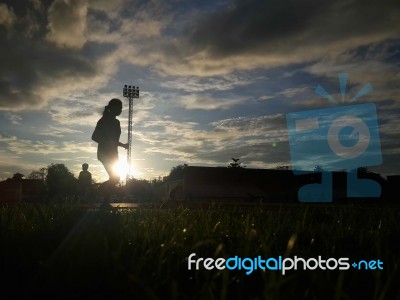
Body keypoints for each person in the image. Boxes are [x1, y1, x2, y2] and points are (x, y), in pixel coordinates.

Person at [92, 98, 128, 202]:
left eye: (121, 108)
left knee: (114, 178)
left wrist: (122, 145)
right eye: (119, 108)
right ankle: (97, 193)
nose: (121, 110)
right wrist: (107, 143)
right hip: (104, 153)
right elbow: (94, 137)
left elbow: (114, 140)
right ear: (112, 108)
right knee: (115, 178)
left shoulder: (117, 122)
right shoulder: (103, 120)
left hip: (114, 154)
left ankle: (105, 201)